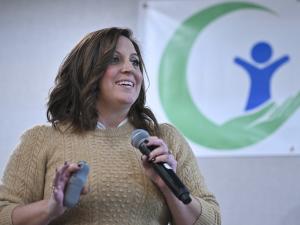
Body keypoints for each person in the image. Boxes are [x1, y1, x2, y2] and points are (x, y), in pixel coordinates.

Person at [0, 27, 221, 225]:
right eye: (115, 60)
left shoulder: (164, 138)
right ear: (87, 71)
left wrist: (167, 186)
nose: (130, 69)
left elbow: (211, 221)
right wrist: (50, 208)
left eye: (135, 62)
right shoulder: (41, 139)